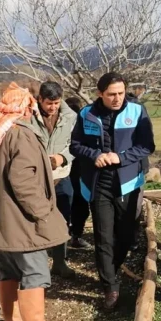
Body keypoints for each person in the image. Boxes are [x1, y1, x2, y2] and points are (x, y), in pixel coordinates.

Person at [0, 82, 70, 321]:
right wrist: (44, 212)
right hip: (22, 221)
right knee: (35, 271)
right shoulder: (21, 135)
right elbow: (23, 181)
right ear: (26, 110)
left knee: (8, 268)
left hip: (2, 219)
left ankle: (11, 320)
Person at [70, 72, 155, 311]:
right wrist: (94, 155)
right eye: (111, 95)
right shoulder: (87, 114)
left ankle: (112, 268)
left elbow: (147, 146)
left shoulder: (137, 112)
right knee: (103, 237)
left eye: (120, 93)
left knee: (126, 236)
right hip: (98, 184)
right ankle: (110, 285)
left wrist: (122, 157)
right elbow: (76, 145)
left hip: (127, 182)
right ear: (100, 94)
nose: (117, 98)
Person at [28, 82, 78, 278]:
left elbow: (76, 144)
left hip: (61, 176)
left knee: (63, 221)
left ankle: (59, 261)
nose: (53, 107)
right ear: (40, 99)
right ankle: (36, 265)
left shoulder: (71, 117)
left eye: (56, 103)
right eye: (49, 103)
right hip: (35, 178)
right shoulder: (27, 117)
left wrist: (62, 158)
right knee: (36, 220)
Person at [64, 96, 92, 250]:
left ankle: (68, 236)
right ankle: (76, 236)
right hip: (77, 169)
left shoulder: (60, 122)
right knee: (79, 204)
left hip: (69, 168)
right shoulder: (83, 122)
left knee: (68, 203)